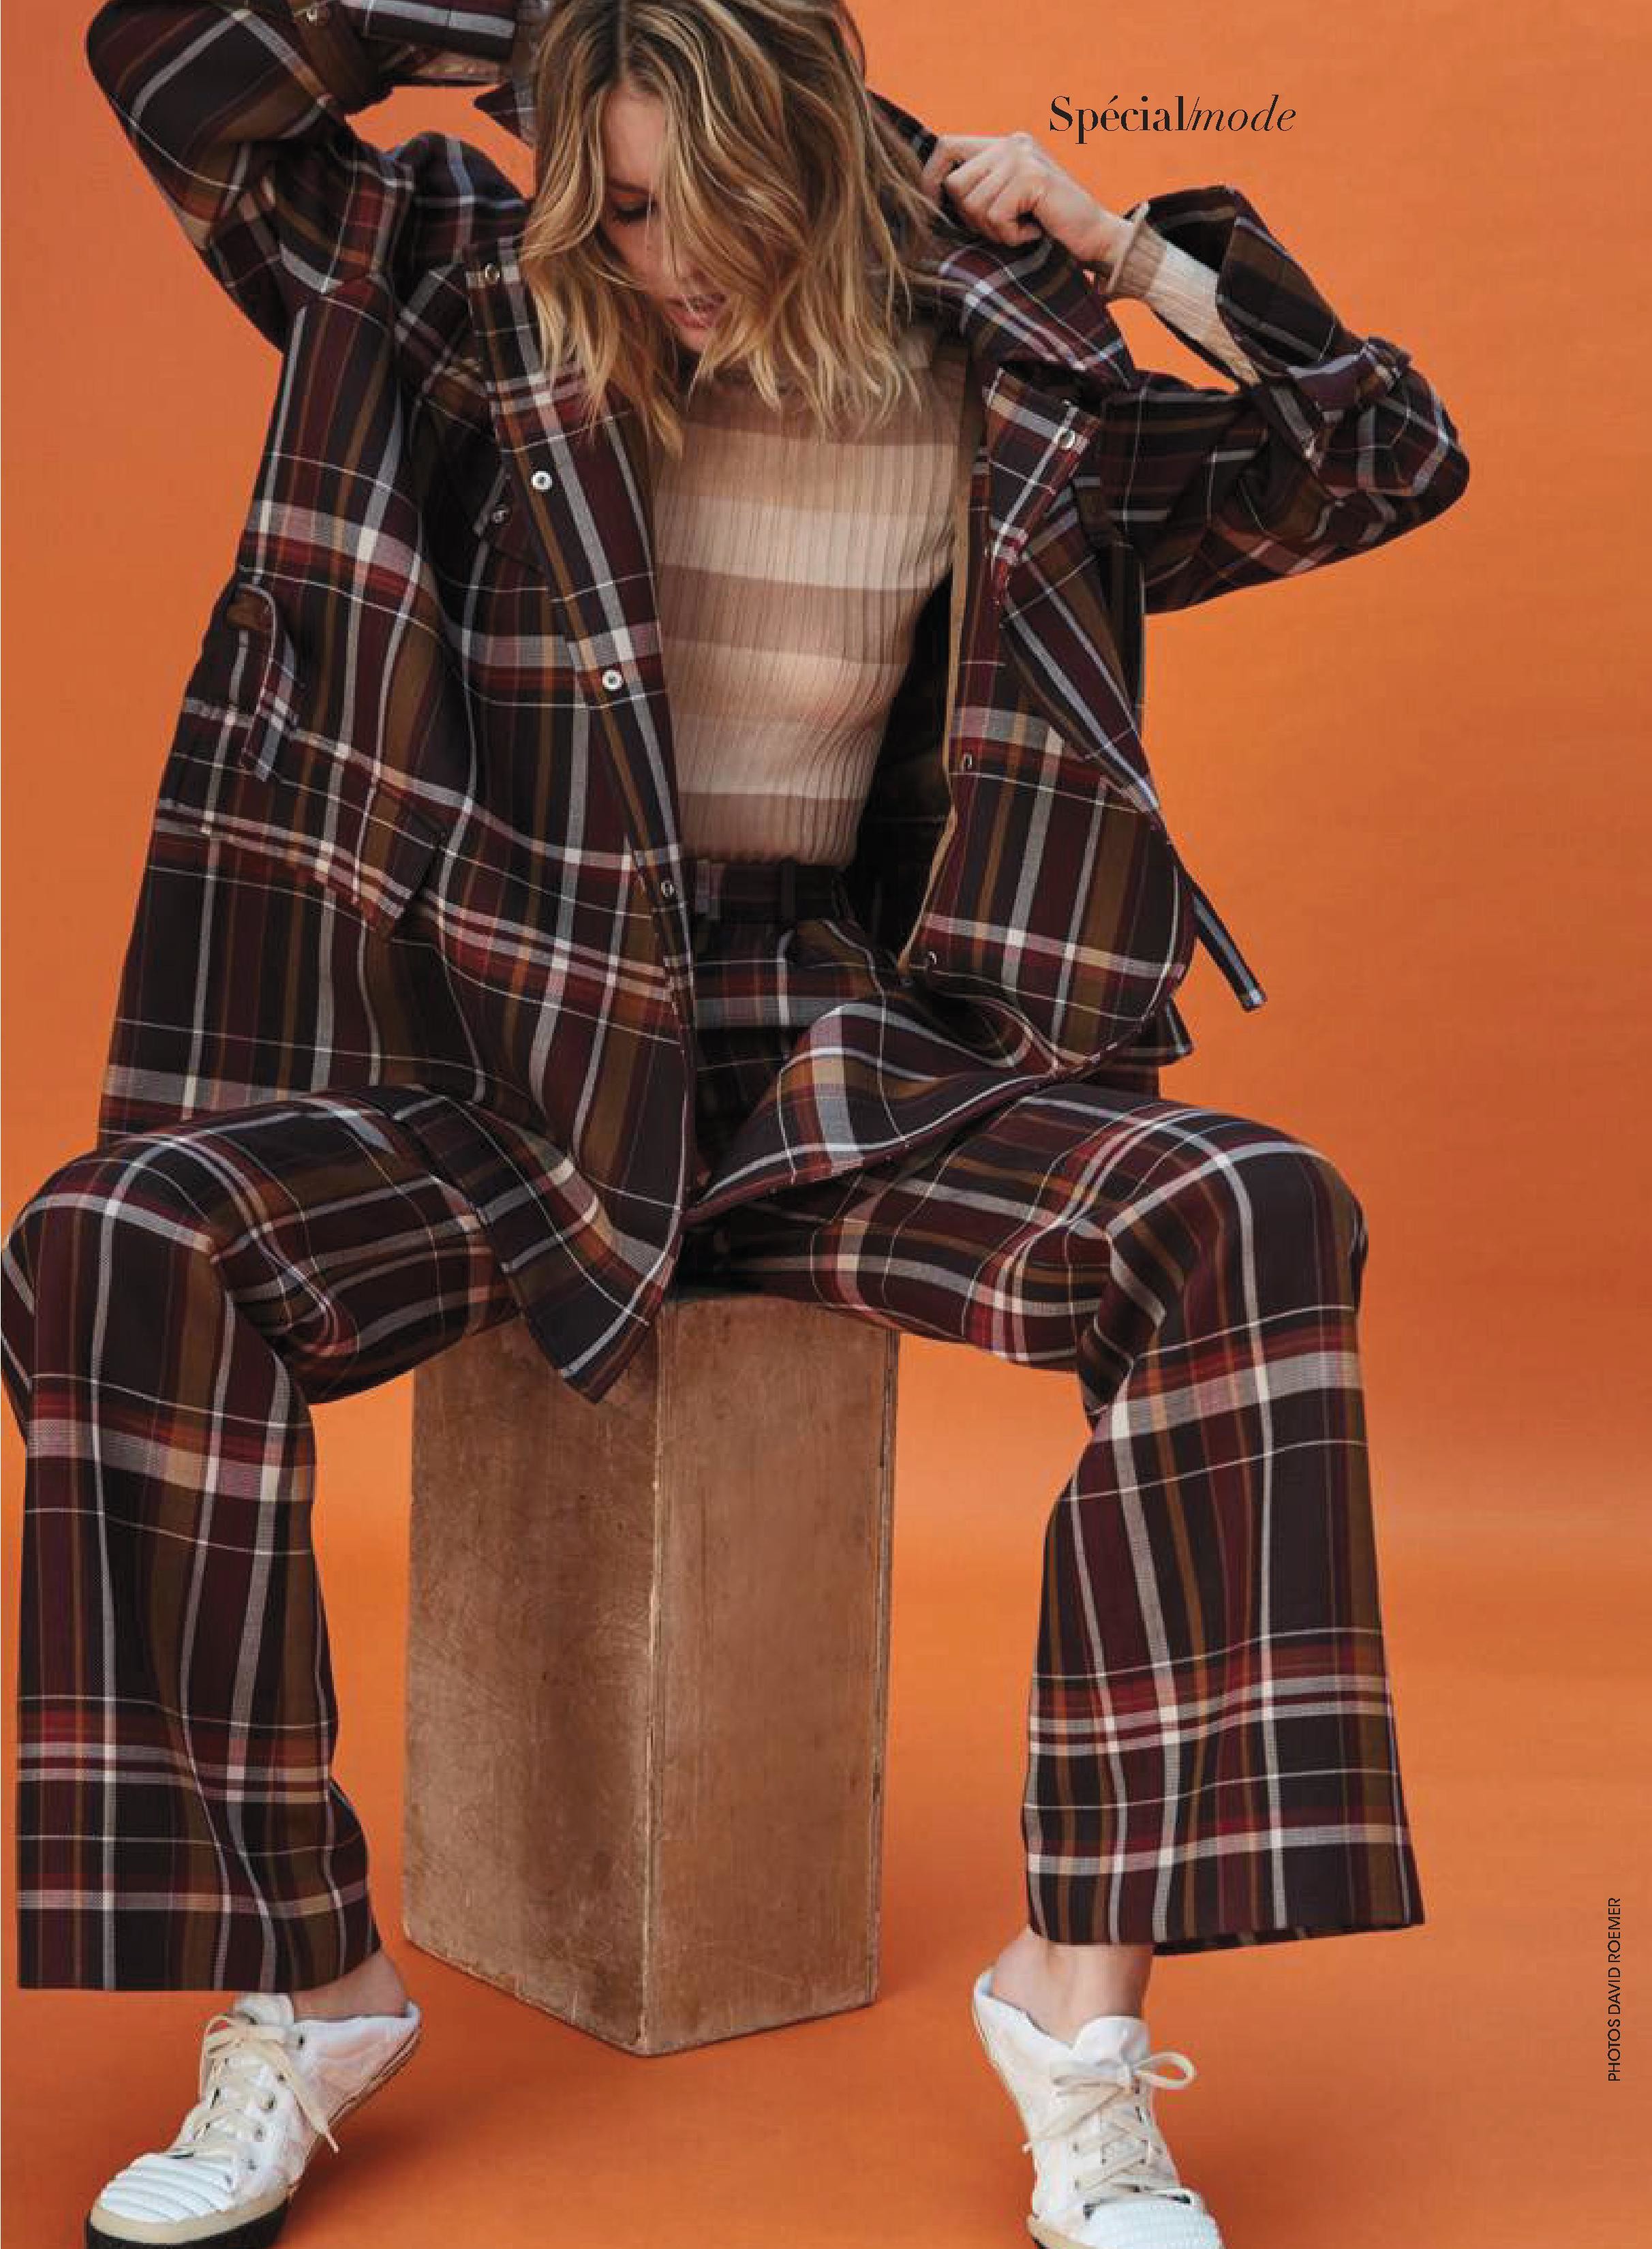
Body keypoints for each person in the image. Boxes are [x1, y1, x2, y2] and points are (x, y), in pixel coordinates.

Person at [4, 3, 1469, 2244]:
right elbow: (168, 66)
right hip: (501, 1058)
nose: (660, 253)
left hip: (835, 1059)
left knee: (1250, 1206)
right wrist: (562, 22)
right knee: (115, 1234)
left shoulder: (1009, 372)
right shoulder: (450, 288)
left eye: (707, 196)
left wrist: (1126, 246)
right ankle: (306, 1989)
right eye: (614, 200)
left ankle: (1076, 2017)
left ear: (827, 153)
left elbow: (1381, 453)